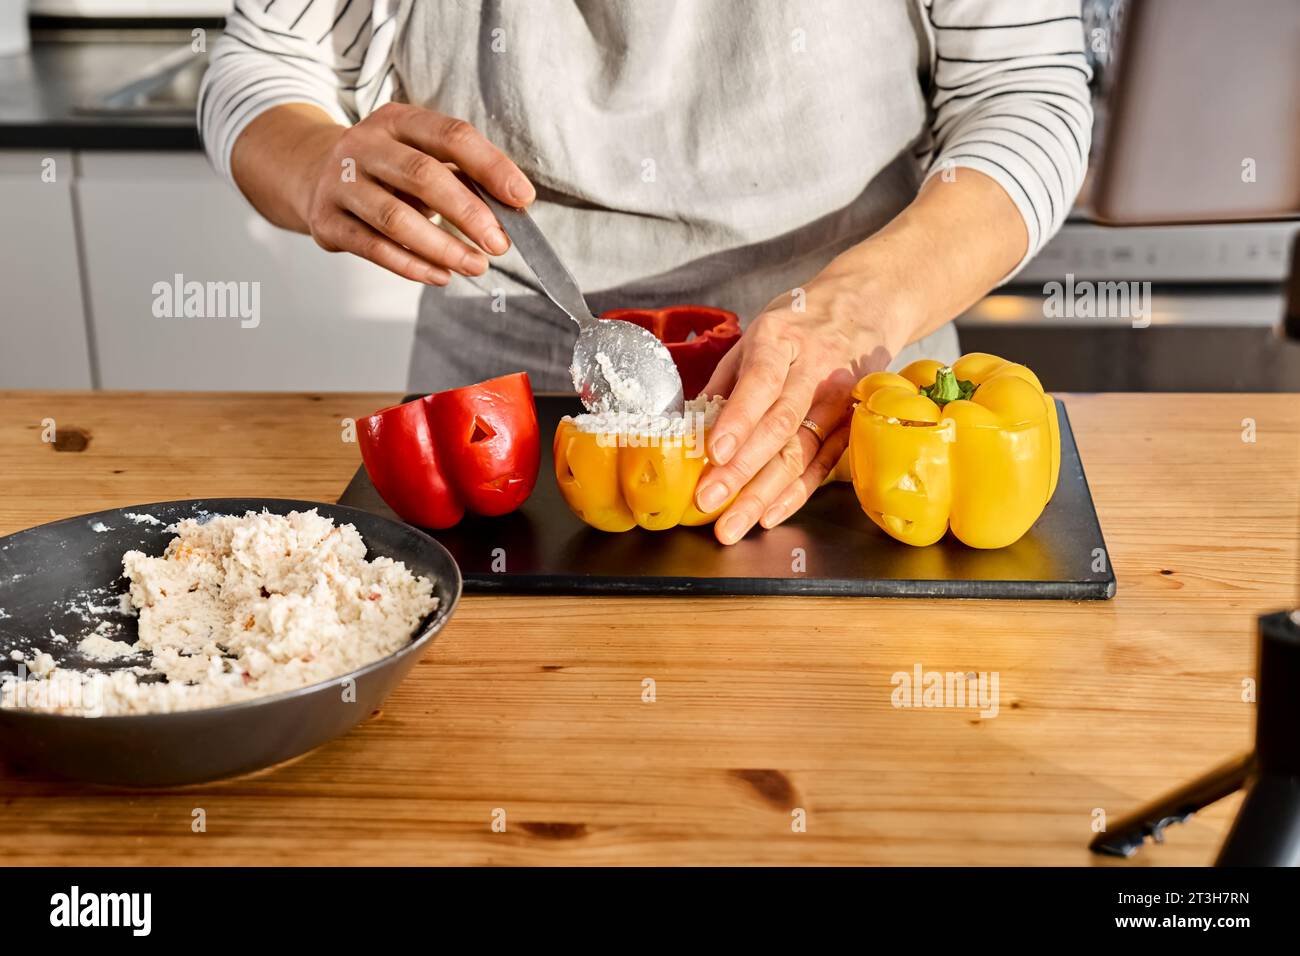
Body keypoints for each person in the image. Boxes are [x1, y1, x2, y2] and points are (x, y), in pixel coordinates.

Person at [201, 0, 1092, 544]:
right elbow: (261, 64)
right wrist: (319, 160)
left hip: (851, 427)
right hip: (493, 451)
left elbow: (1027, 93)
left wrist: (852, 309)